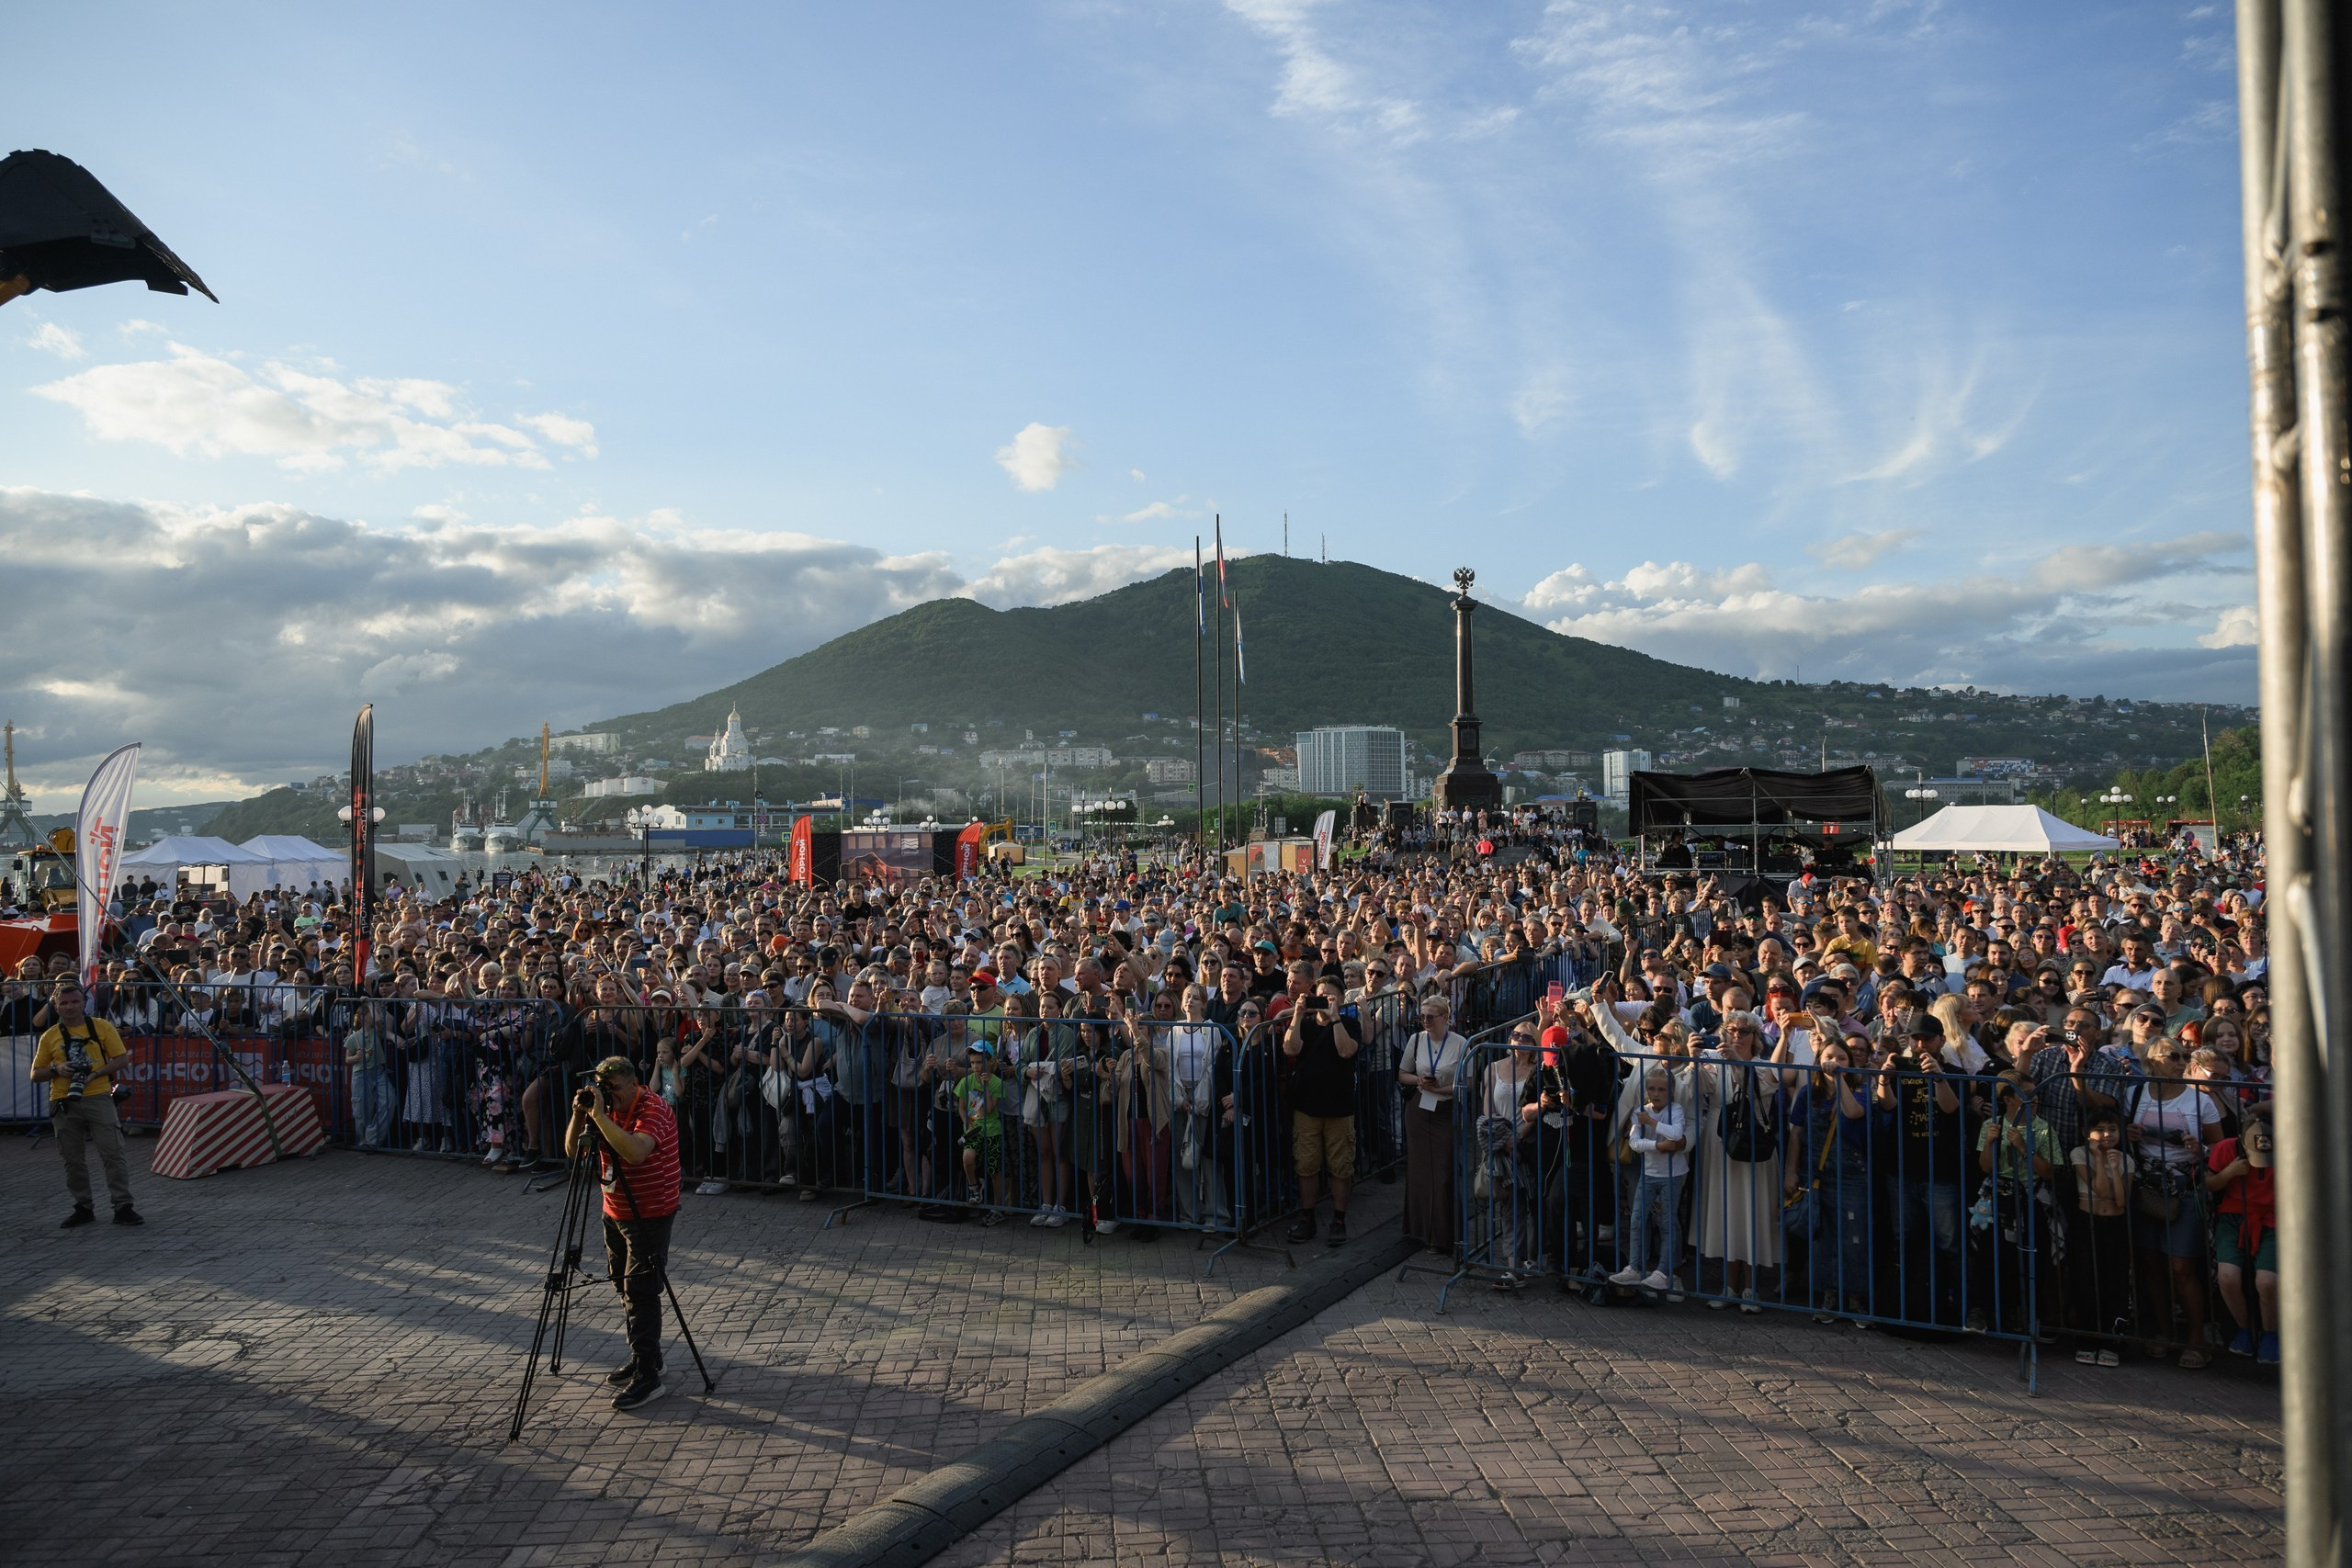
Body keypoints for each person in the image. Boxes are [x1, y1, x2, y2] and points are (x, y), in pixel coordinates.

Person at [565, 1054, 681, 1412]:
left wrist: (600, 1115)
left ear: (634, 1083)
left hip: (650, 1213)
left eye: (615, 1089)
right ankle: (646, 1355)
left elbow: (634, 1153)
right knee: (623, 1285)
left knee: (641, 1290)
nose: (609, 1096)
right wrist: (580, 1115)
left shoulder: (654, 1109)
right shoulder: (605, 1107)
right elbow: (573, 1153)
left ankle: (649, 1376)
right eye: (605, 1089)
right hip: (614, 1209)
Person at [32, 977, 142, 1227]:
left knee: (113, 1153)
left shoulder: (101, 1027)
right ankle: (83, 1207)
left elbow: (121, 1060)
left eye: (75, 1002)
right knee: (72, 1159)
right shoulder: (50, 1036)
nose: (70, 1007)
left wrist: (94, 1073)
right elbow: (35, 1074)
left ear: (84, 1003)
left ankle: (123, 1205)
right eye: (64, 1003)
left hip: (98, 1096)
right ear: (55, 1006)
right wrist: (57, 1069)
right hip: (63, 1099)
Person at [1283, 976, 1361, 1246]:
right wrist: (1297, 1014)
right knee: (1306, 1166)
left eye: (1329, 997)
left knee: (1340, 1167)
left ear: (1340, 999)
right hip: (1307, 1107)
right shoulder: (1304, 1023)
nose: (1323, 1001)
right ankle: (1308, 1218)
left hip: (1339, 1108)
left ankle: (1339, 1219)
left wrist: (1335, 1018)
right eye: (1320, 996)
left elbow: (1346, 1051)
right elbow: (1290, 1048)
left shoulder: (1349, 1023)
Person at [1398, 994, 1469, 1255]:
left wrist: (1443, 1090)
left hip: (1446, 1109)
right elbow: (1403, 1073)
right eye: (1422, 1017)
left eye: (1430, 1017)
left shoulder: (1460, 1043)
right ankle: (1418, 1231)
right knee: (1419, 1170)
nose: (1425, 1021)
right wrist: (1419, 1081)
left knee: (1442, 1173)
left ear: (1444, 1018)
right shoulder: (1416, 1040)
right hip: (1419, 1109)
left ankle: (1442, 1235)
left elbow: (1468, 1082)